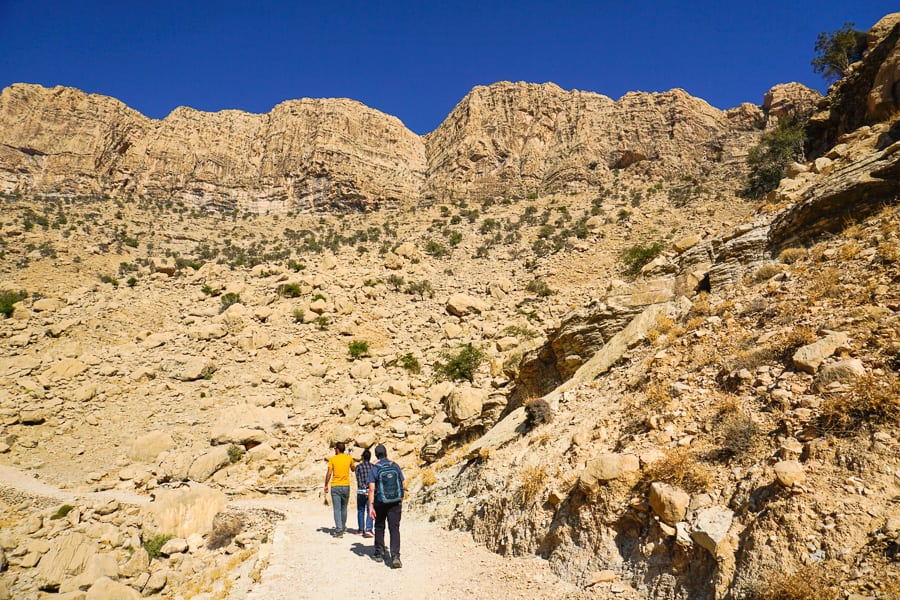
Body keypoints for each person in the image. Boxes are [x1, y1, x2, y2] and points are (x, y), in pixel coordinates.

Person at [367, 444, 407, 568]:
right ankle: (395, 556)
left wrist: (371, 507)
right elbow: (404, 484)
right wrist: (400, 498)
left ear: (376, 455)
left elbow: (371, 489)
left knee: (379, 526)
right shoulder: (395, 466)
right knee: (394, 529)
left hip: (380, 502)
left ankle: (379, 553)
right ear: (386, 453)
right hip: (395, 502)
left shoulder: (375, 468)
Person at [323, 442, 355, 537]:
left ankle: (339, 530)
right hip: (346, 485)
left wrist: (325, 484)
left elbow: (329, 473)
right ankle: (343, 526)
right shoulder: (348, 458)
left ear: (337, 449)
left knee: (337, 509)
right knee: (344, 508)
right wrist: (350, 461)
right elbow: (353, 469)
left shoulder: (333, 459)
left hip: (335, 486)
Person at [355, 448, 375, 537]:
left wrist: (362, 487)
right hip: (370, 491)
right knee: (370, 509)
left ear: (363, 457)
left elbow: (358, 480)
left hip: (361, 491)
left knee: (360, 510)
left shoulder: (358, 467)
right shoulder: (373, 467)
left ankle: (360, 530)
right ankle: (369, 529)